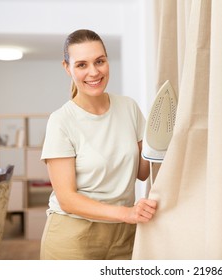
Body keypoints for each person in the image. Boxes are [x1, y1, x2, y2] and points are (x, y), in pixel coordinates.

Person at [40, 29, 157, 260]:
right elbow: (67, 199)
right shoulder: (61, 121)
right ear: (67, 67)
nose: (94, 72)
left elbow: (143, 172)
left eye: (99, 61)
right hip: (73, 237)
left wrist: (160, 136)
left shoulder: (128, 107)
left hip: (124, 234)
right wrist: (127, 213)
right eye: (82, 65)